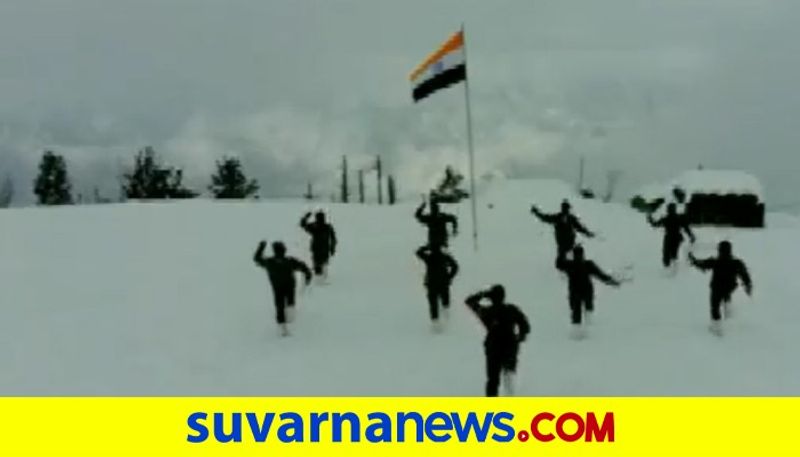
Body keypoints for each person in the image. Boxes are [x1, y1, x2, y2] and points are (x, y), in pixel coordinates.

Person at [465, 285, 530, 397]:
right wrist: (520, 336)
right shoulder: (512, 310)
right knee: (509, 374)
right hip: (510, 346)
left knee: (492, 380)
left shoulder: (487, 312)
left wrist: (484, 294)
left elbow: (469, 301)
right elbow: (525, 325)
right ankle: (511, 398)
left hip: (493, 348)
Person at [688, 241, 753, 336]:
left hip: (716, 288)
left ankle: (717, 328)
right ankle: (728, 311)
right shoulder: (736, 263)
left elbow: (702, 264)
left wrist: (693, 260)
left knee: (715, 307)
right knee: (726, 298)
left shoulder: (716, 261)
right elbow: (744, 275)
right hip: (729, 287)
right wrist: (748, 285)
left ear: (720, 250)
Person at [556, 245, 621, 339]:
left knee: (576, 313)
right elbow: (601, 275)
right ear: (583, 254)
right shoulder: (588, 264)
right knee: (588, 309)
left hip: (575, 292)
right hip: (587, 291)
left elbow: (558, 264)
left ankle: (576, 334)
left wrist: (562, 252)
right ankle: (589, 331)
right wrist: (612, 282)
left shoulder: (569, 265)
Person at [253, 240, 312, 337]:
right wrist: (308, 274)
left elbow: (257, 258)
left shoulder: (270, 262)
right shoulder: (289, 261)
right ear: (284, 250)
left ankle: (282, 327)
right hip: (289, 286)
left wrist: (261, 247)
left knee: (279, 306)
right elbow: (303, 266)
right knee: (290, 302)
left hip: (277, 287)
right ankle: (289, 317)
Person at [531, 199, 595, 267]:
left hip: (568, 243)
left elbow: (580, 227)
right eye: (565, 208)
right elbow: (545, 218)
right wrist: (536, 212)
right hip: (564, 243)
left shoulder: (569, 218)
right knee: (563, 259)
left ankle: (575, 267)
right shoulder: (561, 217)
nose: (566, 210)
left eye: (566, 208)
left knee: (573, 253)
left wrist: (588, 233)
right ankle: (569, 267)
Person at [415, 244, 459, 332]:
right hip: (443, 283)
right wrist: (449, 277)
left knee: (433, 304)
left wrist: (427, 246)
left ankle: (436, 324)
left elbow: (418, 252)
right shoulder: (445, 257)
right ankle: (447, 320)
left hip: (431, 284)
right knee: (445, 302)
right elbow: (455, 266)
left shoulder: (429, 258)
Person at [647, 202, 696, 270]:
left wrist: (650, 219)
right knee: (673, 254)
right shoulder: (678, 218)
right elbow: (686, 228)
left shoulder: (666, 218)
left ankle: (669, 268)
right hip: (676, 238)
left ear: (668, 210)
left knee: (667, 254)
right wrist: (691, 236)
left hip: (669, 238)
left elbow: (655, 224)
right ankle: (673, 268)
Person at [300, 210, 337, 280]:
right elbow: (333, 239)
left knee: (320, 265)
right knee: (321, 265)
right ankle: (320, 279)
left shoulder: (316, 226)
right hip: (321, 249)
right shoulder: (325, 227)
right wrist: (332, 248)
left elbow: (303, 224)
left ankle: (320, 278)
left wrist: (305, 217)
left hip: (319, 249)